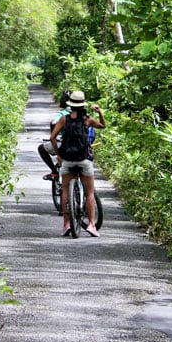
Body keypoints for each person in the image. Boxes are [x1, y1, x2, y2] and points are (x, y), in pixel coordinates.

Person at [50, 90, 106, 237]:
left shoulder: (64, 119)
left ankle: (67, 224)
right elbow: (103, 125)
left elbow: (52, 137)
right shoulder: (88, 120)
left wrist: (59, 155)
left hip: (67, 160)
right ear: (83, 105)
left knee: (65, 191)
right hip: (84, 159)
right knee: (89, 193)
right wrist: (99, 112)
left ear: (71, 104)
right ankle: (92, 225)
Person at [38, 90, 70, 179]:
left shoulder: (62, 114)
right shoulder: (83, 113)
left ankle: (54, 172)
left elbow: (53, 122)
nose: (61, 100)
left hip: (66, 144)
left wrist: (54, 135)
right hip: (82, 145)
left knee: (41, 148)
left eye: (63, 98)